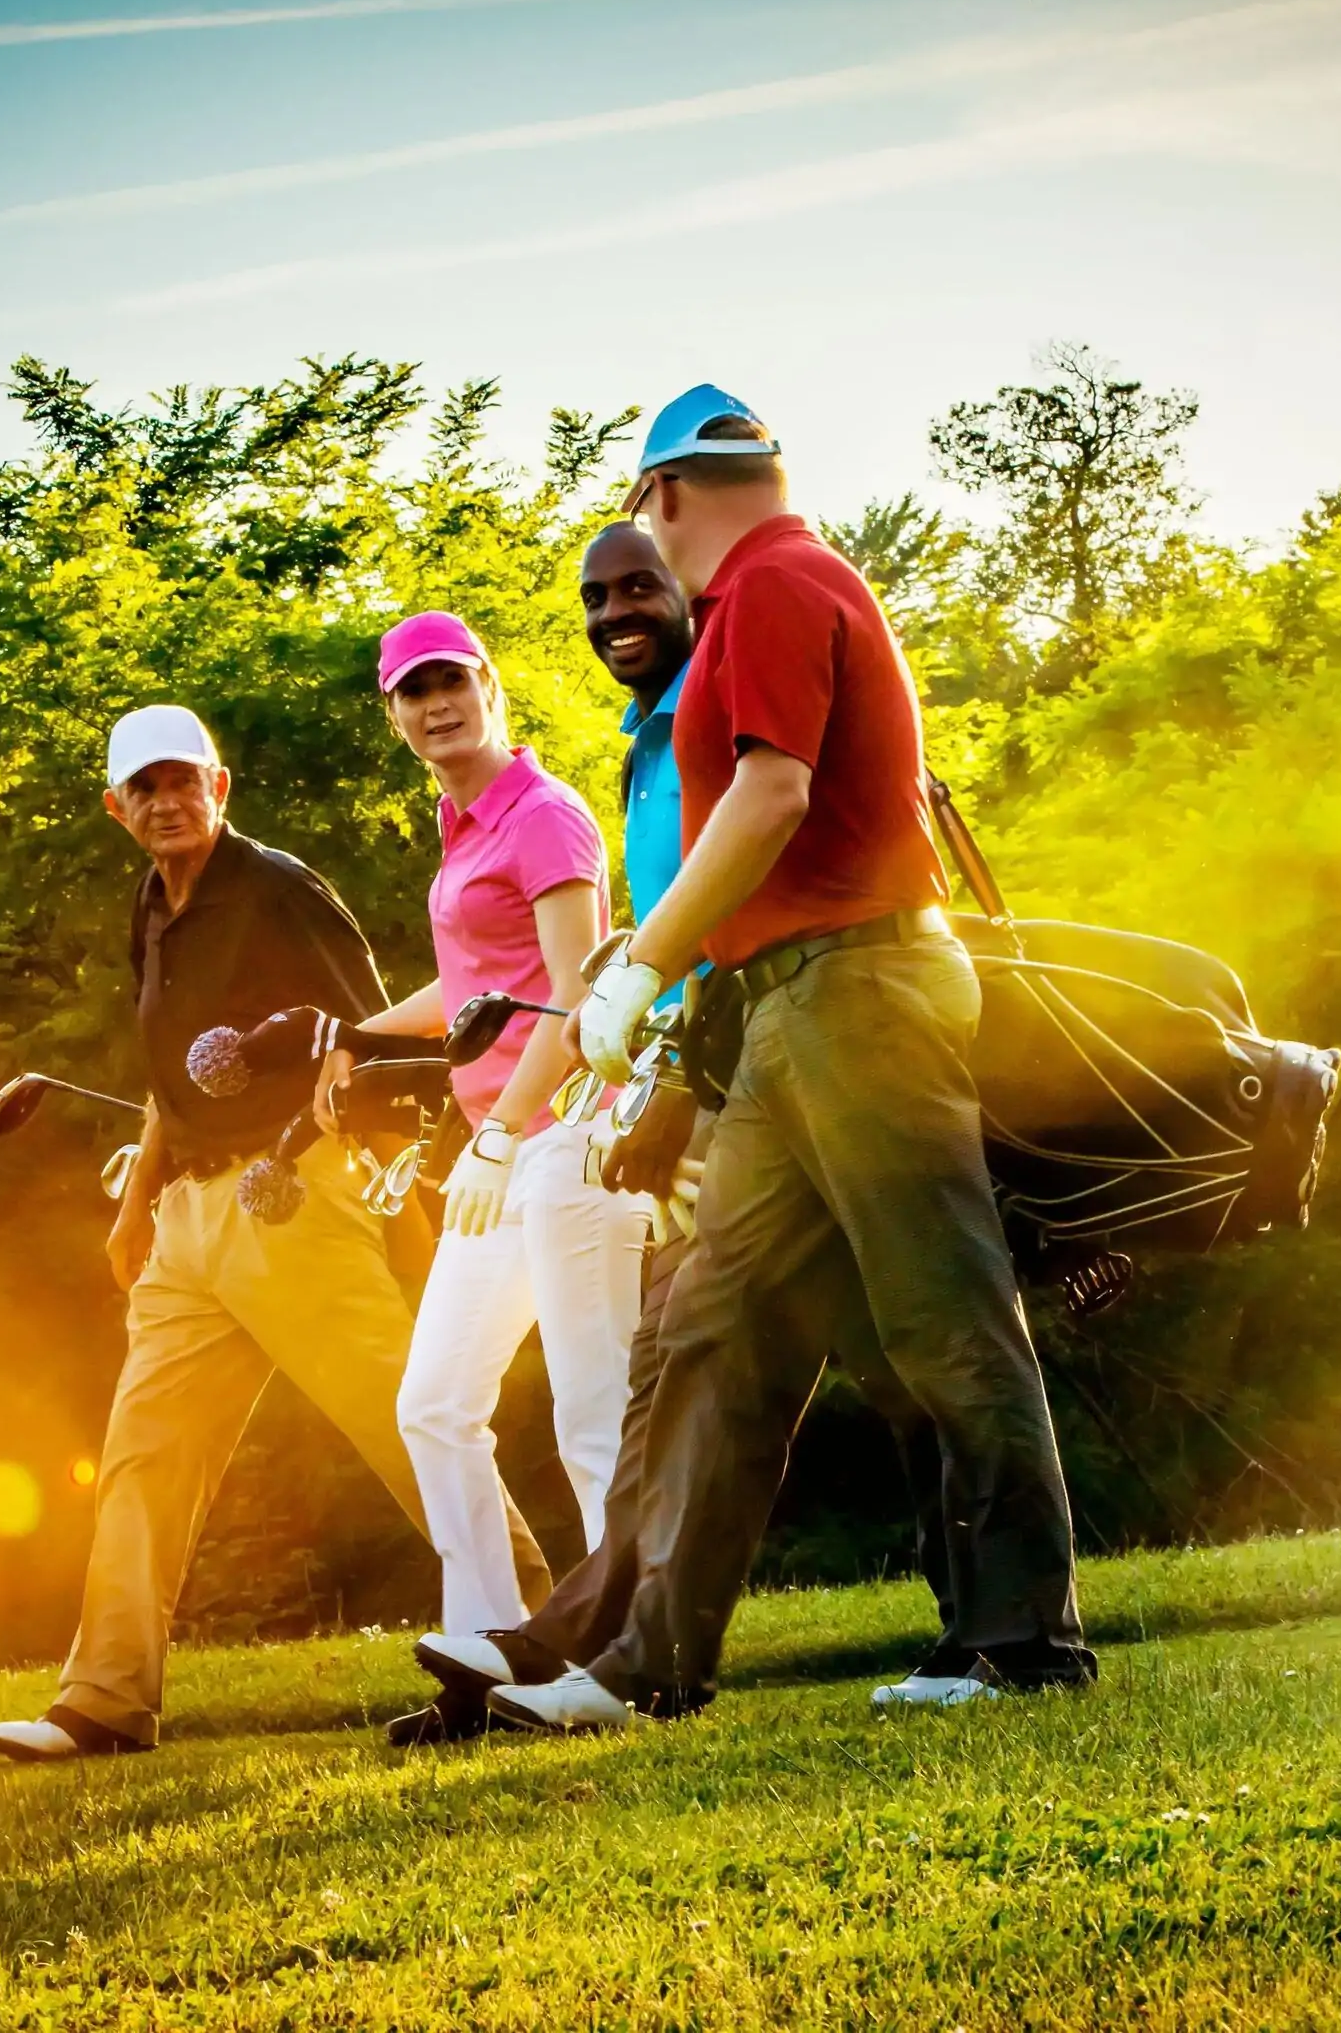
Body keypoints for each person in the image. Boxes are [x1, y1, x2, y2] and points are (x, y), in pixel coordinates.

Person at [489, 387, 1097, 1733]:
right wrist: (662, 957)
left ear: (668, 495)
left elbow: (773, 795)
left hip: (859, 988)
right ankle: (644, 1662)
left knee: (943, 1316)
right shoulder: (784, 582)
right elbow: (762, 837)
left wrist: (646, 961)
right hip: (791, 1004)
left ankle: (1024, 1643)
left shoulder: (772, 584)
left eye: (649, 514)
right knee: (716, 1332)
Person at [396, 525, 958, 1735]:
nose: (617, 612)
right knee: (696, 1365)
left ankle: (1007, 1633)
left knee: (894, 1352)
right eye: (597, 597)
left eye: (640, 585)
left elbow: (705, 930)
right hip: (728, 1074)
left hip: (789, 1048)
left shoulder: (660, 758)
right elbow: (640, 944)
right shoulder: (648, 752)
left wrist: (634, 1101)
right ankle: (602, 1652)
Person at [0, 703, 550, 1762]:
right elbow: (164, 1078)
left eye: (183, 780)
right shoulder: (149, 905)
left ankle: (542, 1643)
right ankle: (106, 1697)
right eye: (143, 788)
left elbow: (368, 1045)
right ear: (116, 807)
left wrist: (362, 1180)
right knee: (142, 1458)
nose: (166, 801)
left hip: (287, 1199)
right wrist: (134, 1205)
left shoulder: (281, 890)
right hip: (189, 1224)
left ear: (221, 785)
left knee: (405, 1421)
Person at [317, 613, 646, 1737]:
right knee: (436, 1402)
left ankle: (623, 1662)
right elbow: (474, 991)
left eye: (449, 681)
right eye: (411, 692)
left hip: (573, 1141)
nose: (434, 705)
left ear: (489, 686)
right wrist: (358, 1034)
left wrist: (501, 1130)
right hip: (509, 1150)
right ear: (395, 714)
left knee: (592, 1412)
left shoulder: (544, 817)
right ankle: (490, 1661)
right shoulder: (463, 828)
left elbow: (577, 993)